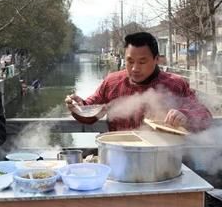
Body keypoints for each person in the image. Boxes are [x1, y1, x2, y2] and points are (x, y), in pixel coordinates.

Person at [65, 32, 212, 132]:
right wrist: (79, 107)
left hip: (162, 160)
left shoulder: (175, 84)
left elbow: (204, 115)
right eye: (130, 61)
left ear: (156, 59)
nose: (135, 68)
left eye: (142, 62)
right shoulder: (112, 82)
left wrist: (185, 116)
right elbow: (92, 113)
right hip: (120, 159)